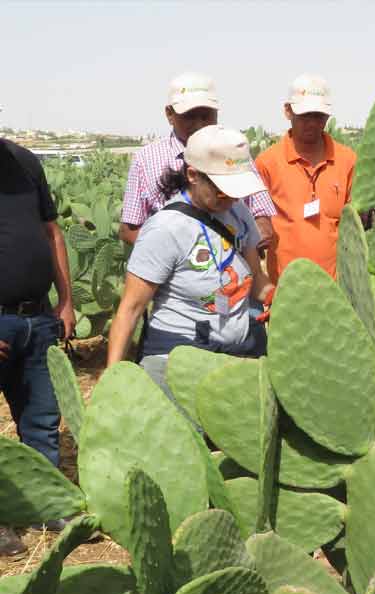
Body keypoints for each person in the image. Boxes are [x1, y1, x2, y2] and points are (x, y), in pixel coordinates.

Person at [107, 125, 275, 406]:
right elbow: (131, 308)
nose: (231, 197)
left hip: (237, 353)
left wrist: (280, 300)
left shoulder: (239, 213)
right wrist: (112, 381)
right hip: (178, 360)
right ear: (193, 175)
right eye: (222, 189)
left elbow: (256, 277)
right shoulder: (165, 229)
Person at [0, 136, 76, 555]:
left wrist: (66, 302)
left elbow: (52, 232)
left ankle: (46, 502)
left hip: (39, 317)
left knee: (42, 420)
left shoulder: (23, 161)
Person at [119, 72, 275, 250]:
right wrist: (175, 254)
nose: (199, 124)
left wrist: (260, 232)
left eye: (206, 115)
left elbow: (261, 211)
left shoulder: (234, 151)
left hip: (232, 264)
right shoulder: (145, 160)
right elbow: (129, 229)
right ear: (169, 114)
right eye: (190, 116)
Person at [255, 74, 357, 281]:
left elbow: (355, 221)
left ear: (328, 115)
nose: (311, 122)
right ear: (288, 111)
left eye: (318, 115)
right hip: (285, 291)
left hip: (336, 291)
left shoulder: (347, 160)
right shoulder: (267, 163)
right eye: (304, 115)